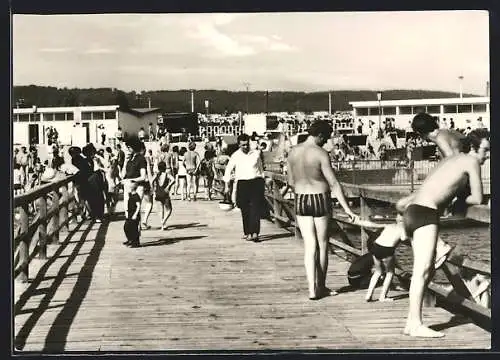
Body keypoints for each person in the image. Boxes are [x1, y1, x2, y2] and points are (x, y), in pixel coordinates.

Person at [396, 128, 489, 338]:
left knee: (425, 271)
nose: (488, 155)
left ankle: (412, 322)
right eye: (485, 149)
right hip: (425, 214)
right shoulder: (470, 161)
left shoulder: (452, 160)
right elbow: (477, 198)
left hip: (413, 211)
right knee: (422, 270)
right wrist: (461, 201)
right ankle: (416, 324)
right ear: (473, 147)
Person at [285, 120, 359, 300]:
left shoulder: (293, 152)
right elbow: (334, 184)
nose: (326, 141)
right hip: (320, 198)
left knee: (309, 246)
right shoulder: (321, 154)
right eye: (325, 137)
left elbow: (290, 182)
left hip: (301, 199)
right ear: (320, 135)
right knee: (323, 245)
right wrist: (347, 209)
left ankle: (311, 289)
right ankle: (322, 286)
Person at [223, 133, 265, 242]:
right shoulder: (235, 155)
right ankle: (248, 232)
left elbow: (260, 168)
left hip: (256, 181)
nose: (245, 147)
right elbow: (228, 170)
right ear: (239, 145)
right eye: (242, 145)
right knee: (245, 208)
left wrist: (264, 180)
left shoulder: (256, 153)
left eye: (246, 144)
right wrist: (227, 186)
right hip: (242, 183)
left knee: (255, 207)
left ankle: (255, 232)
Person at [365, 214, 407, 302]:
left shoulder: (390, 225)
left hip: (376, 246)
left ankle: (368, 295)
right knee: (390, 272)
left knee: (377, 272)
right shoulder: (403, 228)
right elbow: (404, 238)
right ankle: (382, 297)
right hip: (387, 249)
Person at [152, 161, 174, 230]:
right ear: (165, 167)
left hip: (158, 192)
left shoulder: (156, 174)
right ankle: (164, 221)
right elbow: (173, 180)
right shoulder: (167, 174)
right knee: (169, 209)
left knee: (161, 210)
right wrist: (168, 186)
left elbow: (151, 181)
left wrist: (153, 188)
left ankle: (163, 225)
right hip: (165, 192)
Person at [123, 181, 141, 248]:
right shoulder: (130, 194)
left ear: (132, 188)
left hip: (134, 215)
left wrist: (135, 214)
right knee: (126, 227)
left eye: (128, 187)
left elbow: (139, 206)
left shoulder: (136, 196)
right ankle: (130, 239)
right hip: (130, 214)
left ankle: (135, 243)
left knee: (134, 229)